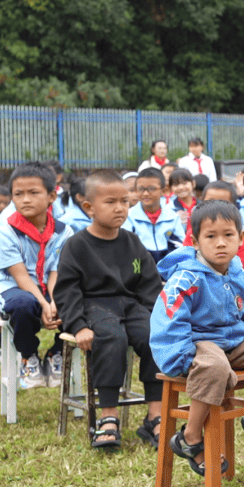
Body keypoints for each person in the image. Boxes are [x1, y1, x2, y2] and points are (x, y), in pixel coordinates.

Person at [151, 201, 244, 476]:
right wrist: (181, 358)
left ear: (241, 238)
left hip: (235, 340)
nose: (220, 243)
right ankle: (190, 436)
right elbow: (169, 320)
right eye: (211, 236)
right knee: (215, 368)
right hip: (197, 342)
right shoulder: (184, 278)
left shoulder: (242, 275)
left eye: (228, 235)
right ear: (195, 241)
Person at [54, 171, 164, 450]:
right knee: (112, 337)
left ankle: (155, 415)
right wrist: (77, 325)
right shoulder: (76, 245)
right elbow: (66, 290)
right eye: (111, 202)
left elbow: (149, 285)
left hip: (130, 305)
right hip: (94, 305)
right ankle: (108, 416)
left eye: (125, 201)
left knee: (156, 335)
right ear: (89, 207)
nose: (120, 208)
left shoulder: (132, 242)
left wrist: (155, 315)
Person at [0, 161, 73, 389]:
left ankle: (56, 353)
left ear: (51, 196)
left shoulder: (64, 231)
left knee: (76, 301)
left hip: (49, 286)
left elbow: (58, 270)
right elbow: (21, 277)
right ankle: (29, 357)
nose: (25, 199)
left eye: (33, 193)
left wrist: (55, 301)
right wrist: (43, 304)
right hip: (13, 287)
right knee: (23, 304)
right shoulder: (6, 232)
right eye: (19, 194)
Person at [123, 168, 185, 263]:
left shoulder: (172, 217)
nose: (145, 193)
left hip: (166, 265)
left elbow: (180, 245)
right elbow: (125, 247)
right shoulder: (128, 216)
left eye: (151, 189)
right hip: (139, 265)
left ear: (163, 190)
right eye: (141, 189)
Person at [198, 181, 244, 274]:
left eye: (223, 203)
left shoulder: (236, 233)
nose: (216, 208)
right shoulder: (196, 230)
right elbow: (186, 259)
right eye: (210, 202)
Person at [169, 168, 198, 234]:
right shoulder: (169, 209)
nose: (181, 187)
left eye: (184, 183)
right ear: (171, 188)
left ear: (193, 184)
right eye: (176, 185)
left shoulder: (202, 206)